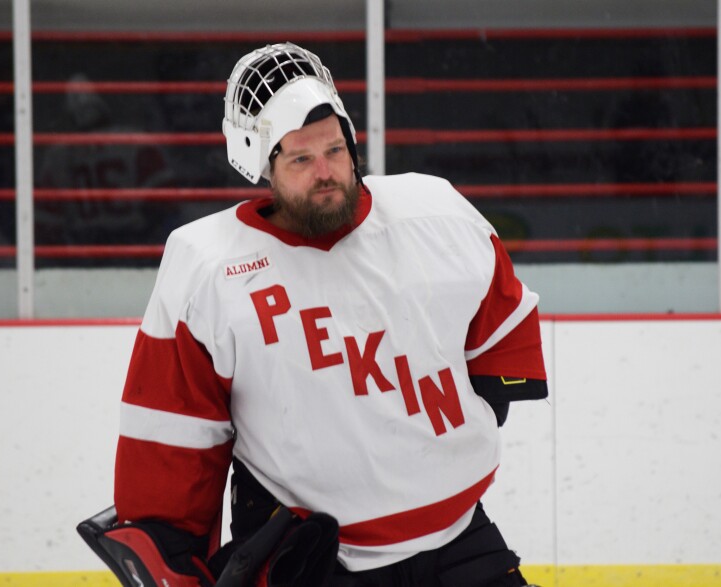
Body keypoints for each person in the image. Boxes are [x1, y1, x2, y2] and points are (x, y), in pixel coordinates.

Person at [102, 42, 548, 587]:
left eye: (335, 150)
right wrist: (174, 560)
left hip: (459, 539)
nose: (326, 172)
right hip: (318, 561)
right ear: (258, 164)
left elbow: (501, 334)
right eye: (301, 159)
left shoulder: (436, 214)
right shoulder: (207, 268)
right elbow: (172, 440)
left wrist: (431, 452)